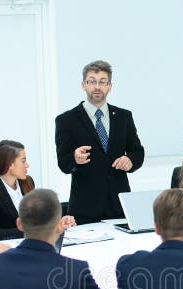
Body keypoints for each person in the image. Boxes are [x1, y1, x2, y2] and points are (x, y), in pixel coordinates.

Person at [55, 60, 145, 224]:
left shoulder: (124, 117)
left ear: (109, 86)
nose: (97, 87)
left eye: (102, 82)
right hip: (84, 209)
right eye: (92, 81)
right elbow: (63, 163)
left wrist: (130, 161)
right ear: (83, 85)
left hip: (119, 206)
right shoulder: (66, 120)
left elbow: (138, 152)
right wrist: (74, 157)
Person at [0, 140, 53, 242]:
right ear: (10, 164)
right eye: (23, 161)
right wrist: (24, 232)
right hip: (8, 249)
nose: (27, 165)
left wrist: (56, 223)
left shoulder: (28, 182)